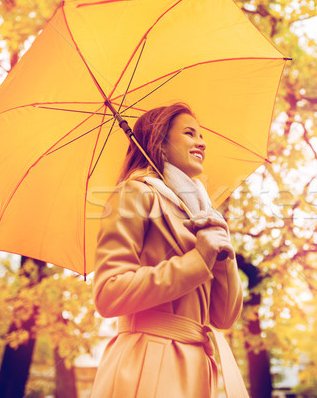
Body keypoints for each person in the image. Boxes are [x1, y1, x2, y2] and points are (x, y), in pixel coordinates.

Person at [90, 103, 248, 398]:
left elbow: (224, 318)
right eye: (190, 133)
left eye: (201, 136)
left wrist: (223, 256)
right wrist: (198, 259)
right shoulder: (135, 194)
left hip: (199, 369)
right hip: (148, 365)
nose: (201, 142)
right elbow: (108, 293)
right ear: (160, 142)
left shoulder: (201, 212)